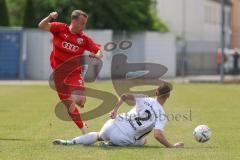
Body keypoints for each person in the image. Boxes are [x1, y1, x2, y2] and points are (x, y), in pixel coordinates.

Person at [52, 83, 184, 148]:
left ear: (156, 92)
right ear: (168, 96)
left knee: (98, 135)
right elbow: (157, 135)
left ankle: (70, 142)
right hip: (123, 137)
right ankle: (110, 144)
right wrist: (172, 146)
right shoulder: (162, 114)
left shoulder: (144, 98)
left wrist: (115, 110)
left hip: (113, 124)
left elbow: (125, 96)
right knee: (143, 141)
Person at [38, 10, 103, 134]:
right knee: (69, 105)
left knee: (79, 100)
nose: (84, 26)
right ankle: (84, 129)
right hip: (58, 74)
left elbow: (98, 50)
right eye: (82, 23)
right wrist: (49, 17)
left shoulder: (84, 39)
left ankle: (79, 94)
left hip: (74, 72)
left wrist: (98, 55)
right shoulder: (60, 28)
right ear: (74, 21)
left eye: (85, 24)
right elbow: (41, 26)